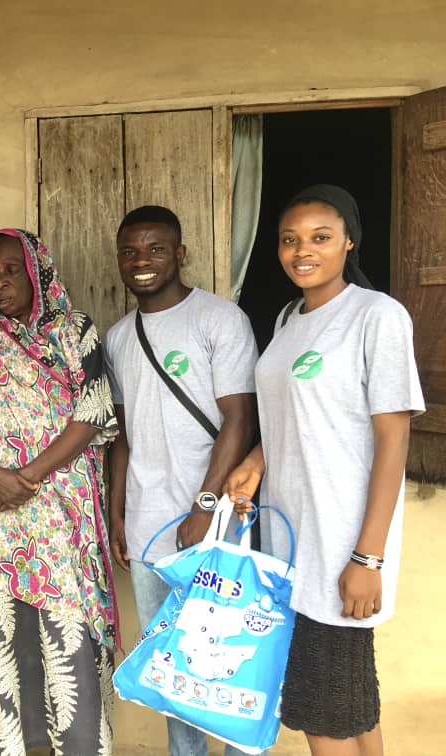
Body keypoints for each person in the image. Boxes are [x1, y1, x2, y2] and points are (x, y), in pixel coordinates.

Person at [225, 185, 424, 756]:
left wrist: (367, 558)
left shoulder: (376, 315)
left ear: (349, 241)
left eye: (320, 237)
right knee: (351, 702)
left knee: (320, 709)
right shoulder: (289, 318)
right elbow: (294, 415)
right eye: (289, 239)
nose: (302, 251)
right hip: (292, 536)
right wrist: (255, 460)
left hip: (341, 542)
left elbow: (393, 439)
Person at [0, 228, 119, 756]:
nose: (0, 282)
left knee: (67, 635)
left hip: (59, 513)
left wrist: (26, 477)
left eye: (12, 270)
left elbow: (92, 412)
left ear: (38, 272)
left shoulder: (75, 331)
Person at [102, 205, 259, 756]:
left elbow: (239, 419)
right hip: (148, 527)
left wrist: (205, 506)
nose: (141, 261)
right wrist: (116, 510)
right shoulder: (118, 338)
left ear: (180, 254)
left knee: (229, 658)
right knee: (172, 668)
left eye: (155, 249)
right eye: (130, 252)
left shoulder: (219, 319)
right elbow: (122, 436)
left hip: (215, 525)